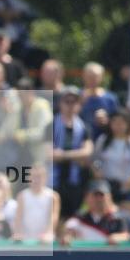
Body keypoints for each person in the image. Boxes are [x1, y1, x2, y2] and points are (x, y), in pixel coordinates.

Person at [92, 111, 130, 221]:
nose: (118, 126)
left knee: (127, 223)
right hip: (107, 188)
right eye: (115, 122)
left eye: (122, 123)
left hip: (128, 188)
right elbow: (94, 160)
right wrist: (97, 171)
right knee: (106, 222)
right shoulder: (103, 141)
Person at [52, 87, 93, 219]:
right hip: (53, 179)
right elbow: (48, 153)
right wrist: (77, 155)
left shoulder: (84, 127)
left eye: (74, 102)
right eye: (67, 101)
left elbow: (87, 152)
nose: (70, 105)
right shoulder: (51, 124)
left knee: (71, 218)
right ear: (60, 104)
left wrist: (63, 155)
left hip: (75, 181)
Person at [61, 180, 130, 245]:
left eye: (102, 195)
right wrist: (68, 236)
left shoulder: (121, 217)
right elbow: (67, 231)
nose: (99, 199)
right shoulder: (80, 217)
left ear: (110, 197)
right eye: (95, 195)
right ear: (86, 198)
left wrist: (121, 238)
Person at [12, 163, 58, 243]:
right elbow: (18, 217)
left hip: (45, 241)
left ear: (45, 178)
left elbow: (53, 216)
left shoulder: (53, 196)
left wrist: (48, 233)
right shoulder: (22, 196)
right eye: (34, 177)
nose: (36, 180)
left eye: (39, 177)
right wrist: (18, 233)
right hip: (25, 239)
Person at [79, 62, 120, 139]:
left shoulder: (111, 98)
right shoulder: (75, 96)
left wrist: (106, 121)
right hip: (81, 141)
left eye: (95, 76)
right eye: (90, 76)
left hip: (104, 140)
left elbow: (118, 121)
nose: (92, 80)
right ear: (84, 76)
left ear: (102, 77)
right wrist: (80, 104)